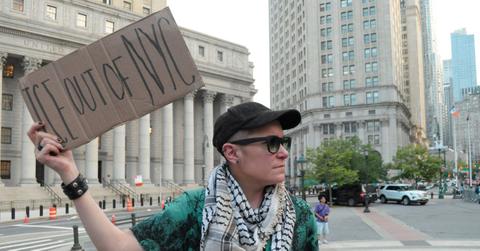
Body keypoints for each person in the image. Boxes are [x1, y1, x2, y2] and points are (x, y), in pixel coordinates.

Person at [29, 101, 318, 250]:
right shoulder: (193, 208)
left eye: (284, 143)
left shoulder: (300, 214)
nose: (283, 153)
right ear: (232, 153)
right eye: (272, 143)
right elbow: (118, 247)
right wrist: (69, 172)